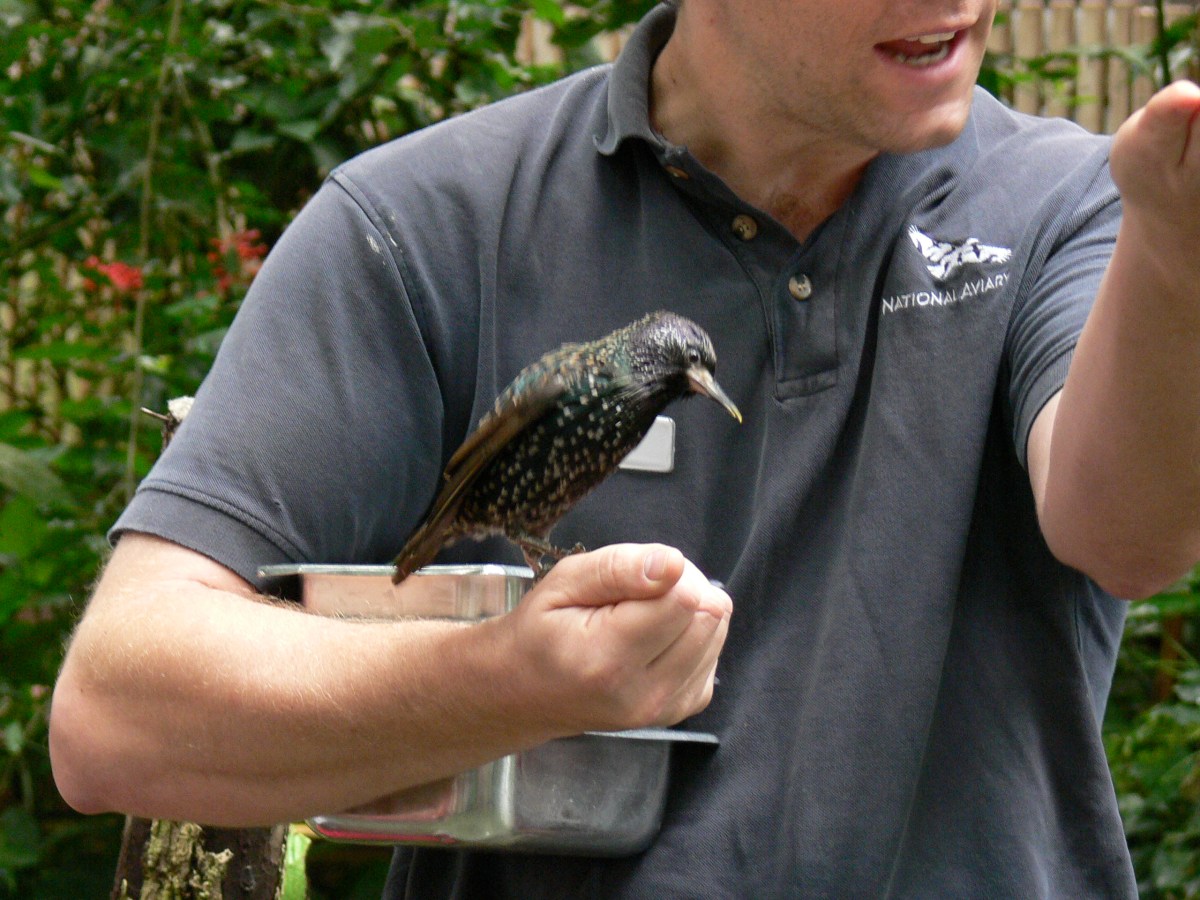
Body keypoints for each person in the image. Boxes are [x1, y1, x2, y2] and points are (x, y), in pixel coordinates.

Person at [49, 0, 1200, 895]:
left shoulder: (1080, 205)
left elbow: (1130, 534)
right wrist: (502, 678)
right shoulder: (433, 224)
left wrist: (1178, 258)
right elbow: (115, 717)